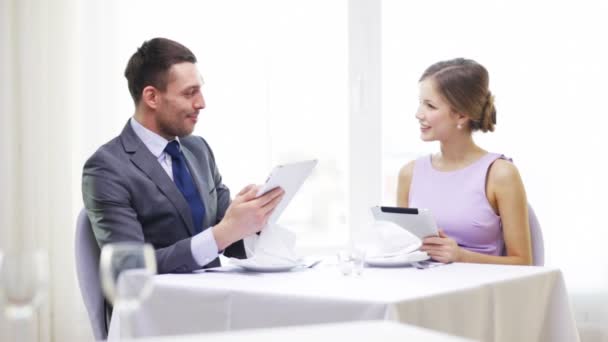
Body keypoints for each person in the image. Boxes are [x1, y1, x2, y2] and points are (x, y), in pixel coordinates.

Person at [82, 37, 284, 274]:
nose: (202, 103)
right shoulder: (106, 168)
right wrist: (223, 233)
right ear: (152, 97)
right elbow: (130, 267)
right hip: (157, 305)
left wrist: (252, 218)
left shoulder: (198, 149)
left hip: (215, 299)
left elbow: (227, 235)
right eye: (190, 93)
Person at [397, 58, 532, 265]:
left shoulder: (500, 174)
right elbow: (403, 249)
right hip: (422, 290)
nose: (418, 114)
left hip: (479, 293)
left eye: (430, 106)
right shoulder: (409, 173)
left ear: (461, 115)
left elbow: (523, 263)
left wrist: (462, 256)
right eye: (420, 103)